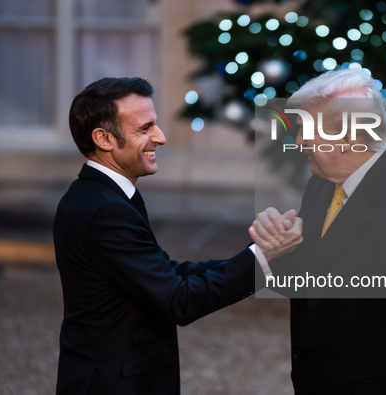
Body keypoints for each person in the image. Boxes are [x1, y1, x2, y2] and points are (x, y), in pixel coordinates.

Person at [53, 77, 301, 395]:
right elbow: (179, 299)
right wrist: (263, 259)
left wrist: (259, 252)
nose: (161, 137)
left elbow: (165, 272)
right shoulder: (104, 209)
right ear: (104, 138)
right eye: (145, 128)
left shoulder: (104, 195)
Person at [253, 68, 386, 394]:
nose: (298, 142)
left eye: (306, 130)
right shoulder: (321, 184)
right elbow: (314, 281)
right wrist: (274, 246)